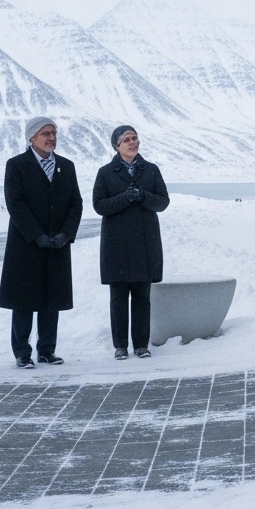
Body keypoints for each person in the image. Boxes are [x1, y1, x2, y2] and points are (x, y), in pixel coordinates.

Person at [0, 117, 83, 368]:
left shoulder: (66, 166)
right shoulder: (16, 165)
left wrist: (66, 234)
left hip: (57, 244)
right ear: (32, 138)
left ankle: (46, 350)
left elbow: (75, 203)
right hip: (26, 244)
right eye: (45, 133)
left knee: (51, 299)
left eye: (54, 133)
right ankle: (22, 353)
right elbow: (15, 203)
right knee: (23, 300)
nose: (51, 138)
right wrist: (37, 235)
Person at [93, 125, 169, 360]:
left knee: (142, 297)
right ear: (117, 146)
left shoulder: (151, 170)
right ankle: (120, 346)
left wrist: (142, 195)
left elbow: (163, 202)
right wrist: (125, 198)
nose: (133, 142)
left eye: (135, 138)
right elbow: (99, 205)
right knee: (118, 297)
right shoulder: (106, 173)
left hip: (145, 244)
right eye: (127, 139)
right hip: (116, 245)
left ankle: (141, 345)